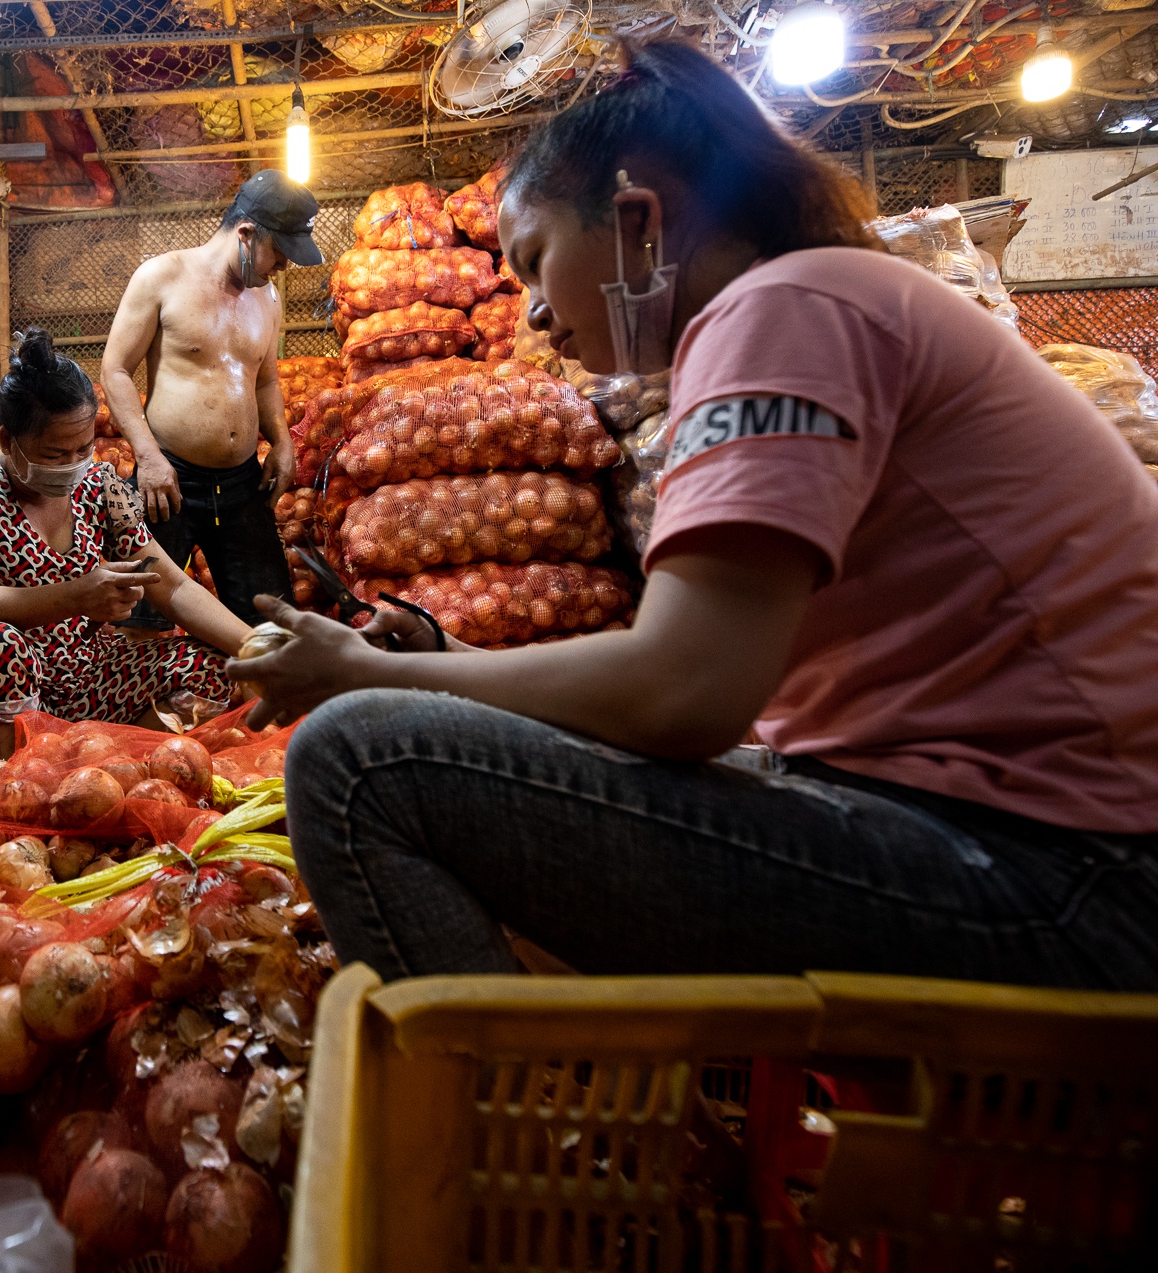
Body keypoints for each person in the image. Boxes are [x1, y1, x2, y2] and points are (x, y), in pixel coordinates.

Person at [231, 40, 1158, 992]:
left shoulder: (783, 310)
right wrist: (439, 663)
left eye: (538, 262)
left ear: (636, 221)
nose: (536, 317)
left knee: (357, 758)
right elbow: (699, 684)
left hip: (1068, 876)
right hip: (1027, 844)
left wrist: (360, 674)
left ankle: (504, 1114)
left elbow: (685, 695)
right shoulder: (821, 297)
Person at [0, 329, 252, 769]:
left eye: (84, 448)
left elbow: (169, 586)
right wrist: (77, 595)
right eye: (55, 454)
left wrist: (258, 648)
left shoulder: (99, 487)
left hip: (83, 674)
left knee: (214, 667)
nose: (73, 464)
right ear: (6, 440)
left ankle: (101, 779)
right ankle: (6, 790)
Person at [99, 169, 313, 625]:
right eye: (280, 253)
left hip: (242, 485)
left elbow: (266, 380)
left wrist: (282, 441)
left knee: (272, 619)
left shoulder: (268, 299)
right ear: (246, 234)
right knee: (142, 621)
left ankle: (246, 699)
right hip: (168, 481)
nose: (284, 267)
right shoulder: (161, 277)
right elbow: (115, 370)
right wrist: (148, 456)